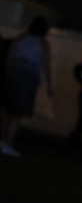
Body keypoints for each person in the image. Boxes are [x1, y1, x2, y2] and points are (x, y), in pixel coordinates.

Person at [1, 16, 53, 157]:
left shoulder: (21, 38)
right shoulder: (42, 43)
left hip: (13, 72)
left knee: (7, 110)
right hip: (28, 76)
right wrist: (49, 85)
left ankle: (3, 141)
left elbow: (10, 55)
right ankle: (8, 143)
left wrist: (7, 73)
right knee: (17, 113)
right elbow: (46, 65)